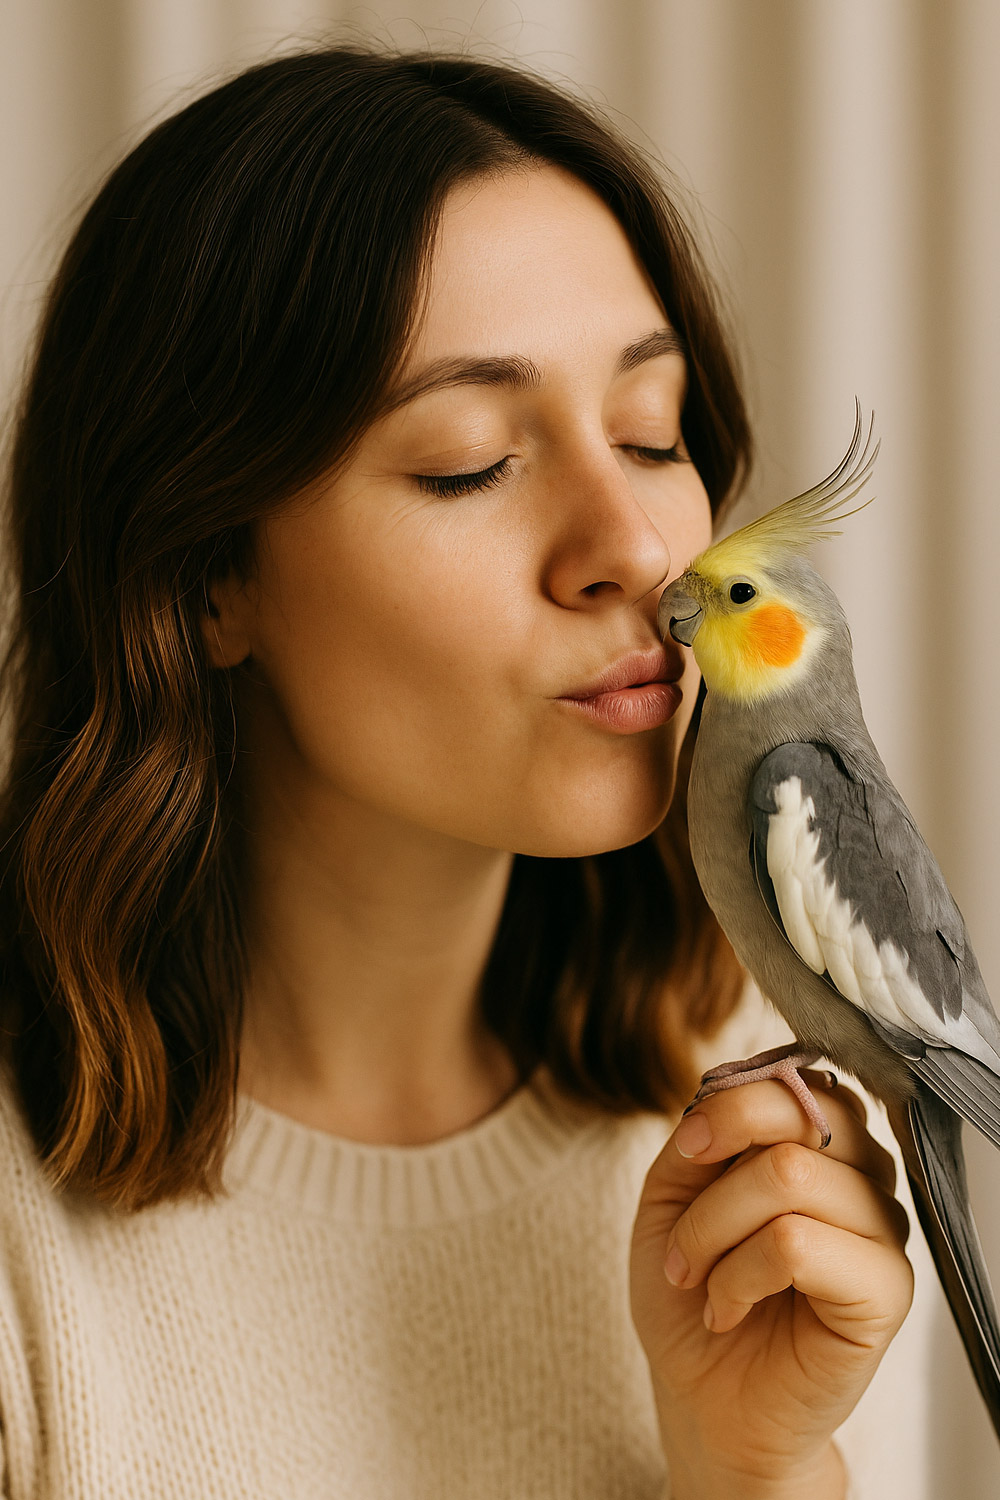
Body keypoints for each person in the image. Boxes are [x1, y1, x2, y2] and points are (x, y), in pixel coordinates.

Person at [0, 43, 925, 1500]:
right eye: (469, 462)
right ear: (199, 583)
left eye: (651, 431)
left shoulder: (776, 1164)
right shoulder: (23, 1240)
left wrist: (756, 1472)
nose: (635, 550)